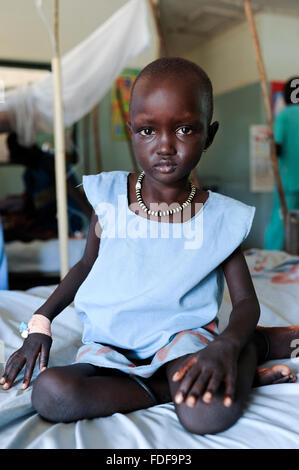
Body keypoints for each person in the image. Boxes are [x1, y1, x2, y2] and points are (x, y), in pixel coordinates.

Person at [1, 58, 297, 435]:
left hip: (181, 341)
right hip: (112, 342)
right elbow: (84, 267)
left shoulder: (219, 217)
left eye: (186, 129)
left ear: (209, 134)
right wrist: (40, 325)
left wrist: (227, 345)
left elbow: (245, 302)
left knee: (206, 415)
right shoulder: (109, 196)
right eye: (147, 131)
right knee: (51, 394)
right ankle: (169, 390)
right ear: (131, 131)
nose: (165, 147)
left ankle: (250, 348)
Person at [265, 77, 299, 250]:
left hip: (288, 182)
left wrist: (270, 140)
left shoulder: (284, 116)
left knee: (279, 222)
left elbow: (276, 147)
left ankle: (271, 259)